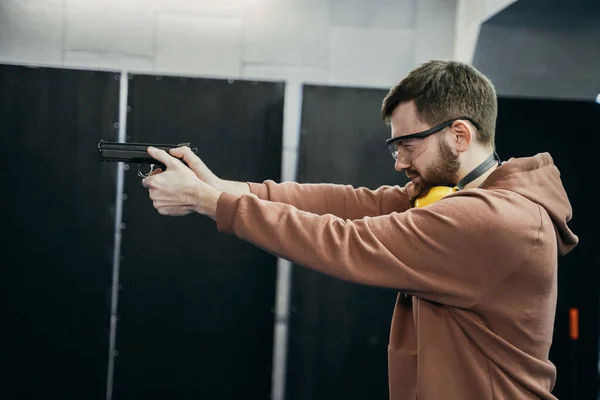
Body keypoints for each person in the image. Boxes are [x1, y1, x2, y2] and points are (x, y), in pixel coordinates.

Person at [140, 60, 578, 400]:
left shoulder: (495, 220)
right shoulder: (454, 197)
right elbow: (350, 204)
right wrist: (219, 186)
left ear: (460, 135)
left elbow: (345, 240)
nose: (400, 161)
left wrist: (208, 202)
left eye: (408, 144)